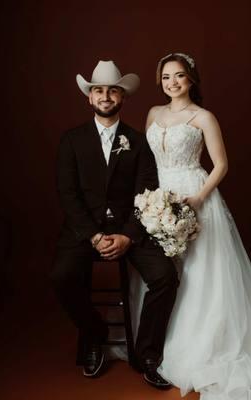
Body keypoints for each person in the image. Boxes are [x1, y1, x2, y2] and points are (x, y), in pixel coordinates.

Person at [138, 52, 251, 399]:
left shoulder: (203, 117)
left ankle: (200, 340)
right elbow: (149, 159)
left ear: (192, 79)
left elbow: (221, 165)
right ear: (161, 80)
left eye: (180, 76)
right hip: (159, 196)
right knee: (164, 269)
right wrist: (151, 201)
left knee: (200, 270)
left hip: (194, 195)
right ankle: (154, 339)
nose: (173, 82)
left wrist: (199, 199)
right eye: (167, 76)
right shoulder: (153, 114)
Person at [50, 60, 179, 388]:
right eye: (98, 90)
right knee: (60, 276)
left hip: (129, 228)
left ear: (122, 97)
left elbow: (145, 192)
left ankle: (148, 354)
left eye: (112, 90)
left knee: (165, 277)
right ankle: (94, 333)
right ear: (89, 98)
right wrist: (93, 235)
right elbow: (68, 195)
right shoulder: (71, 141)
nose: (105, 96)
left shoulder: (138, 141)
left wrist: (127, 236)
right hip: (84, 231)